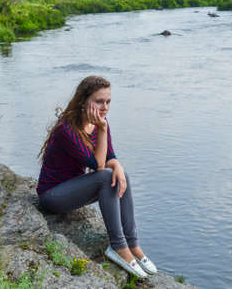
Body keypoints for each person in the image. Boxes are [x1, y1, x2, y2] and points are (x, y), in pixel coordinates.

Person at [37, 76, 157, 278]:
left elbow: (109, 156)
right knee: (106, 177)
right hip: (53, 196)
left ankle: (133, 244)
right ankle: (118, 248)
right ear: (84, 102)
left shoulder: (100, 123)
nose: (105, 107)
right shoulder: (67, 128)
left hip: (75, 189)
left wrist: (117, 164)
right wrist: (102, 131)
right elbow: (98, 165)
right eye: (99, 101)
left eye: (108, 101)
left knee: (119, 174)